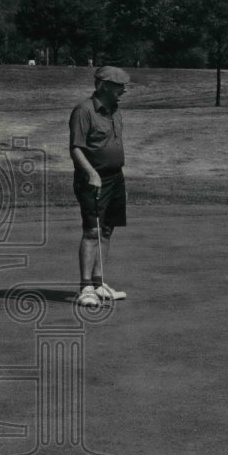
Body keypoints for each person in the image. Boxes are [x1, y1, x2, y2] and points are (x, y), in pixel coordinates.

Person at [69, 66, 130, 306]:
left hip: (115, 178)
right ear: (103, 85)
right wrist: (91, 173)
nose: (123, 90)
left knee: (106, 230)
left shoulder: (115, 110)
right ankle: (85, 289)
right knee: (92, 231)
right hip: (93, 179)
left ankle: (98, 283)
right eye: (119, 86)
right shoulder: (84, 111)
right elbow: (75, 148)